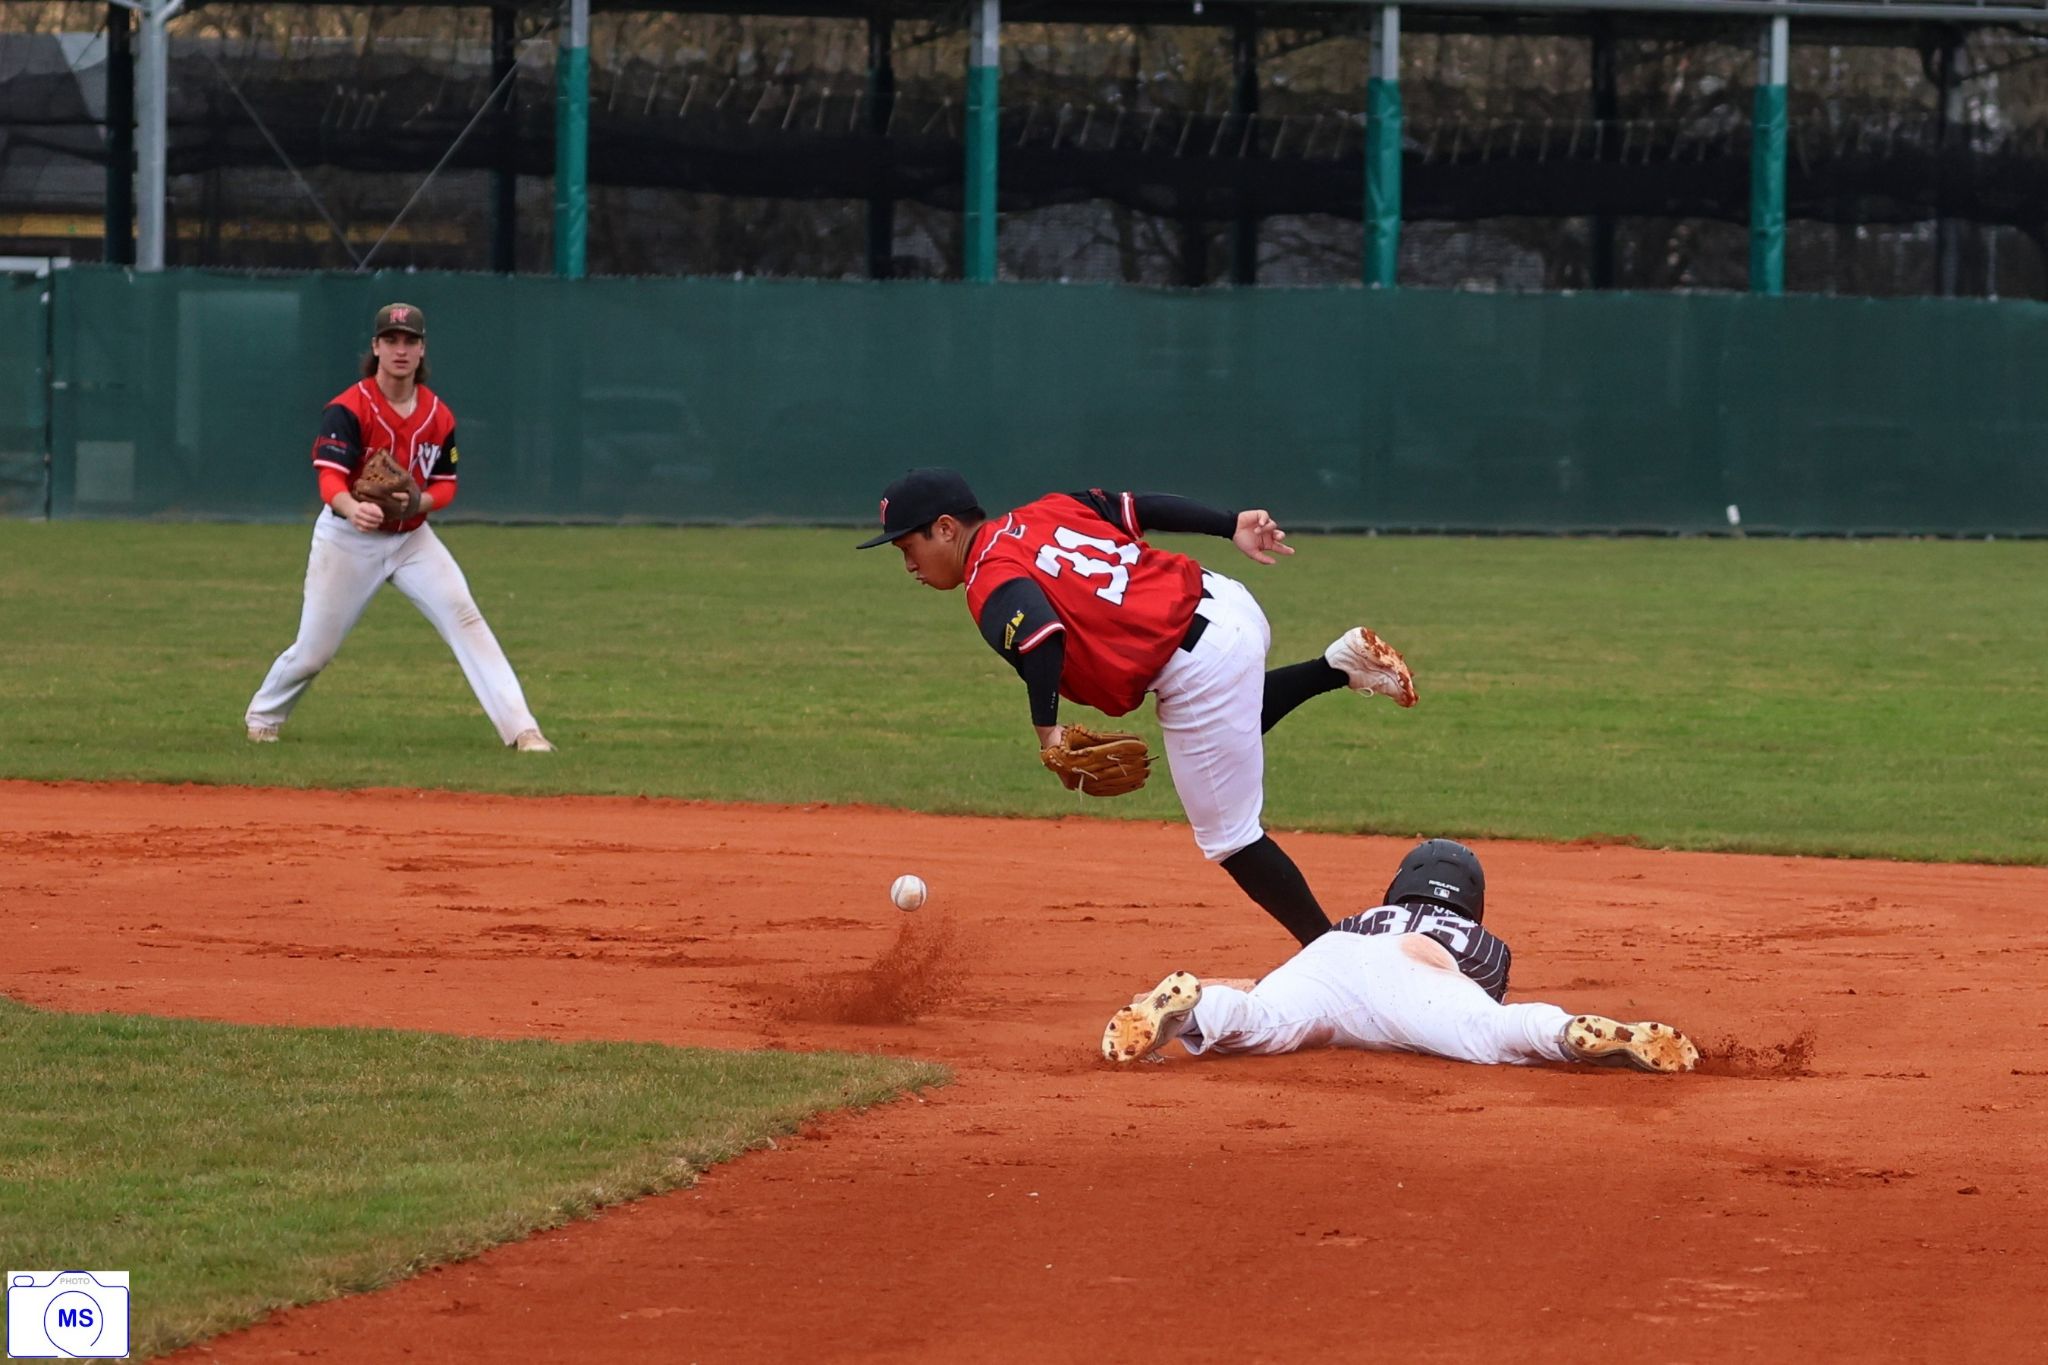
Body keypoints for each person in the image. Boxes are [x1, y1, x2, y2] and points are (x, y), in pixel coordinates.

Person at [858, 467, 1414, 946]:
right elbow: (1138, 507)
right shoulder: (1049, 508)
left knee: (1230, 837)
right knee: (1217, 740)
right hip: (1223, 599)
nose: (907, 562)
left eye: (909, 546)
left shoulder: (987, 576)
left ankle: (1332, 953)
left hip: (1198, 663)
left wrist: (1047, 735)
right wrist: (1229, 523)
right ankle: (1338, 667)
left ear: (947, 528)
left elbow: (1042, 636)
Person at [1101, 837, 1700, 1073]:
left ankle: (1188, 1013)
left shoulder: (1364, 918)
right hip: (1421, 976)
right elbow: (1473, 1002)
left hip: (1334, 955)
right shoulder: (1485, 945)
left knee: (1260, 1019)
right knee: (1492, 1031)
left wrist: (1206, 981)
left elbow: (1285, 979)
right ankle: (1570, 1031)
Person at [245, 303, 554, 753]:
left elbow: (446, 485)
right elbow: (329, 477)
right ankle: (263, 715)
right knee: (314, 652)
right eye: (391, 340)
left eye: (410, 340)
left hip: (412, 540)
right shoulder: (348, 409)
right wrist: (352, 507)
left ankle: (523, 730)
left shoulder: (439, 416)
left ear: (422, 348)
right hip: (349, 539)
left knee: (466, 619)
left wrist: (419, 501)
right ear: (376, 347)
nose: (400, 349)